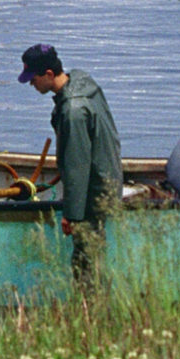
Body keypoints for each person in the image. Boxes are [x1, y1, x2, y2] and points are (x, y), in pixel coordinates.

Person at [20, 43, 123, 288]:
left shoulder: (73, 111)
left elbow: (78, 165)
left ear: (48, 75)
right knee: (93, 253)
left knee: (85, 261)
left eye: (33, 79)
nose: (31, 85)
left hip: (93, 193)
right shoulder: (82, 81)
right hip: (108, 180)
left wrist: (72, 215)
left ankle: (91, 310)